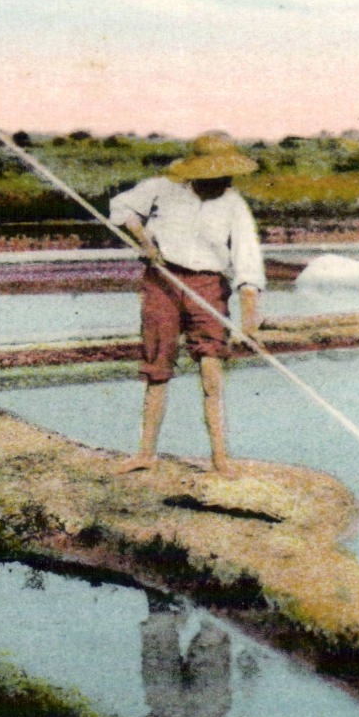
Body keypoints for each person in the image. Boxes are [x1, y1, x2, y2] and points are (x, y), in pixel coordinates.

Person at [108, 132, 265, 476]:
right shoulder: (164, 188)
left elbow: (247, 261)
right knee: (157, 368)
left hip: (208, 286)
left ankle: (220, 459)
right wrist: (145, 241)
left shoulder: (233, 204)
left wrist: (249, 319)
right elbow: (121, 207)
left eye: (225, 175)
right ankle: (146, 454)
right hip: (163, 280)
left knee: (211, 372)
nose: (220, 181)